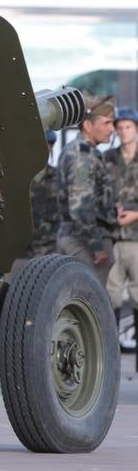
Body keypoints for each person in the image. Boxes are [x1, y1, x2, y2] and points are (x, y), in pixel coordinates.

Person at [56, 96, 117, 283]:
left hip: (79, 237)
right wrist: (96, 246)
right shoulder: (82, 156)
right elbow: (80, 206)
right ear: (88, 126)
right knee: (91, 303)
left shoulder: (81, 151)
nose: (112, 129)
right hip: (85, 242)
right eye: (106, 123)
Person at [102, 109, 138, 367]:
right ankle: (110, 358)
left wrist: (135, 215)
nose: (123, 131)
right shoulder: (107, 160)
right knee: (110, 297)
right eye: (120, 127)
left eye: (128, 126)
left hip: (136, 240)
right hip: (112, 238)